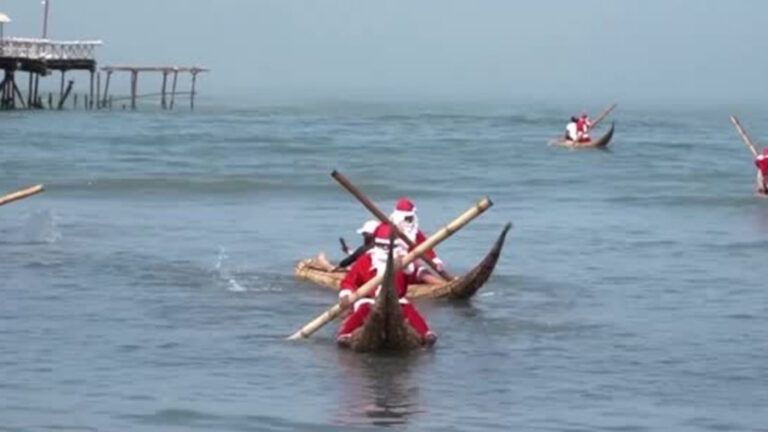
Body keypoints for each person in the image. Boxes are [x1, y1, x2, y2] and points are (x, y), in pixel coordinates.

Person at [337, 223, 436, 346]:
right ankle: (346, 333)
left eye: (389, 247)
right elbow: (349, 281)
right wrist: (346, 294)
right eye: (382, 246)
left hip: (396, 300)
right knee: (364, 309)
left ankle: (425, 333)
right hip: (369, 299)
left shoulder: (403, 261)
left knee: (409, 309)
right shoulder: (365, 260)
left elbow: (415, 274)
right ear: (376, 245)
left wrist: (416, 270)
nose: (386, 250)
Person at [389, 197, 450, 284]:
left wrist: (434, 259)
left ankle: (444, 284)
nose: (410, 221)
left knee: (424, 273)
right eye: (407, 219)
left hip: (411, 267)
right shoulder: (389, 229)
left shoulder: (414, 231)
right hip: (394, 267)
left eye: (411, 218)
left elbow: (425, 245)